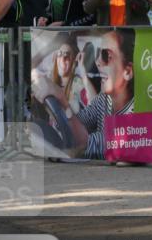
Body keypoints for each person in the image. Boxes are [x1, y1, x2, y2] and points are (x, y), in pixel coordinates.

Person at [40, 28, 135, 159]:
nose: (98, 62)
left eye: (106, 56)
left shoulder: (137, 110)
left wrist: (61, 100)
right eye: (98, 54)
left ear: (128, 72)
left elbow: (91, 144)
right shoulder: (104, 99)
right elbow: (78, 122)